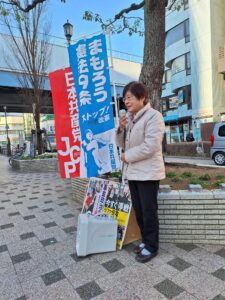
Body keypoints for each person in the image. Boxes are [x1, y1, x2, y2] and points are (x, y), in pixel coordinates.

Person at [116, 81, 165, 263]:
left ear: (142, 98)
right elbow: (122, 144)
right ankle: (145, 241)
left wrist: (127, 156)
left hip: (148, 173)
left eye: (130, 97)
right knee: (139, 210)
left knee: (148, 210)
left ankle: (152, 246)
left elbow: (150, 146)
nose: (126, 102)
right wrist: (121, 129)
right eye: (124, 98)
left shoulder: (154, 116)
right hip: (133, 172)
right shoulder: (130, 118)